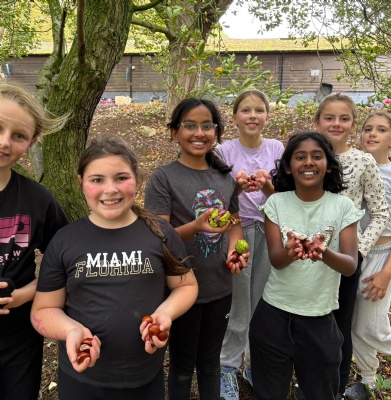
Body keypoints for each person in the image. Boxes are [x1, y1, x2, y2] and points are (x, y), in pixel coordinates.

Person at [30, 136, 198, 400]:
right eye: (97, 180)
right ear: (81, 183)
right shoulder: (64, 241)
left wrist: (165, 313)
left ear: (137, 179)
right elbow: (43, 310)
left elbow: (186, 286)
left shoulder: (160, 233)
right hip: (81, 380)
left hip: (145, 378)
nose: (110, 189)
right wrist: (71, 330)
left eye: (121, 178)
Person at [144, 98, 247, 400]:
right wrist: (197, 226)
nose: (199, 133)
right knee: (182, 366)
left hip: (220, 287)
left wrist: (235, 251)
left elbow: (234, 222)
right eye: (189, 125)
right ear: (174, 132)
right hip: (180, 290)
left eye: (207, 126)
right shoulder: (164, 177)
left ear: (217, 132)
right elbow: (158, 238)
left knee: (211, 363)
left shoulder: (225, 177)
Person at [249, 131, 363, 400]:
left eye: (317, 156)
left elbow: (350, 266)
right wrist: (291, 251)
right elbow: (276, 260)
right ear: (289, 166)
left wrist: (324, 253)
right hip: (273, 317)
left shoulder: (343, 206)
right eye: (300, 157)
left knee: (320, 393)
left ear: (329, 165)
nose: (308, 162)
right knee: (269, 393)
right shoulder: (276, 203)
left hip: (320, 319)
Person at [312, 93, 390, 400]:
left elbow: (381, 212)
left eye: (344, 118)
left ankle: (334, 388)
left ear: (353, 124)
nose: (336, 124)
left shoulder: (363, 161)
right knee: (309, 322)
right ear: (317, 121)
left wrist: (359, 249)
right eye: (329, 118)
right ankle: (309, 383)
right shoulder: (307, 155)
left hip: (344, 258)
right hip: (306, 256)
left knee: (339, 325)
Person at [0, 81, 69, 400]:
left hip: (19, 339)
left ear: (31, 143)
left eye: (18, 136)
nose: (5, 142)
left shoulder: (39, 200)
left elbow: (67, 262)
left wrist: (25, 294)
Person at [215, 89, 284, 400]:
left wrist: (267, 186)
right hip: (237, 230)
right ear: (234, 117)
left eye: (259, 110)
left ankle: (254, 363)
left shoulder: (276, 148)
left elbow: (282, 198)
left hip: (269, 229)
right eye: (245, 110)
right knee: (239, 302)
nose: (252, 116)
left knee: (262, 301)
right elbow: (217, 198)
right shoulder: (224, 151)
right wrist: (238, 187)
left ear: (267, 116)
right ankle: (226, 366)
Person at [344, 111, 391, 400]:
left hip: (382, 255)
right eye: (367, 128)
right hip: (354, 253)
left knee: (373, 329)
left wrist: (388, 271)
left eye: (381, 130)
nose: (372, 134)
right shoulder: (354, 165)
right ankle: (368, 379)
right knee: (356, 323)